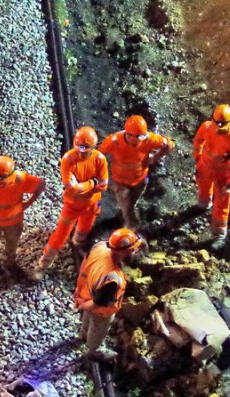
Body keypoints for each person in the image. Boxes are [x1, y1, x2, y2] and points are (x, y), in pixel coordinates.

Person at [31, 127, 109, 280]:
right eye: (79, 146)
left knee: (85, 228)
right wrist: (93, 183)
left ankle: (78, 243)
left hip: (92, 204)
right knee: (59, 235)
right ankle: (43, 265)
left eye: (86, 148)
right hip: (73, 205)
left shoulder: (99, 159)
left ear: (93, 147)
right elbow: (73, 189)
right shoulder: (68, 159)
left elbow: (104, 185)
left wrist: (85, 186)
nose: (81, 151)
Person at [74, 228, 144, 361]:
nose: (135, 251)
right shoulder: (112, 278)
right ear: (123, 252)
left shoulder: (100, 246)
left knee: (87, 318)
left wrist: (81, 298)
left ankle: (82, 335)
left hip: (86, 292)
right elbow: (98, 303)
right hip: (100, 309)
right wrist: (83, 306)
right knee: (97, 328)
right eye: (133, 249)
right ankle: (92, 350)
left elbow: (85, 262)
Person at [98, 114, 175, 229]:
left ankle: (123, 214)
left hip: (140, 180)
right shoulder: (114, 141)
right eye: (135, 137)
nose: (138, 140)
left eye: (141, 136)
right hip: (120, 181)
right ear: (128, 134)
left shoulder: (148, 139)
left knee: (131, 202)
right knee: (128, 208)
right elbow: (98, 155)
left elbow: (169, 145)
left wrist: (155, 157)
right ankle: (131, 229)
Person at [193, 104, 230, 242]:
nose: (218, 127)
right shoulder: (207, 127)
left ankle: (219, 231)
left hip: (222, 172)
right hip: (205, 165)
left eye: (222, 124)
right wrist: (198, 160)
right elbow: (198, 142)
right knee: (203, 186)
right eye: (217, 123)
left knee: (222, 201)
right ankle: (204, 203)